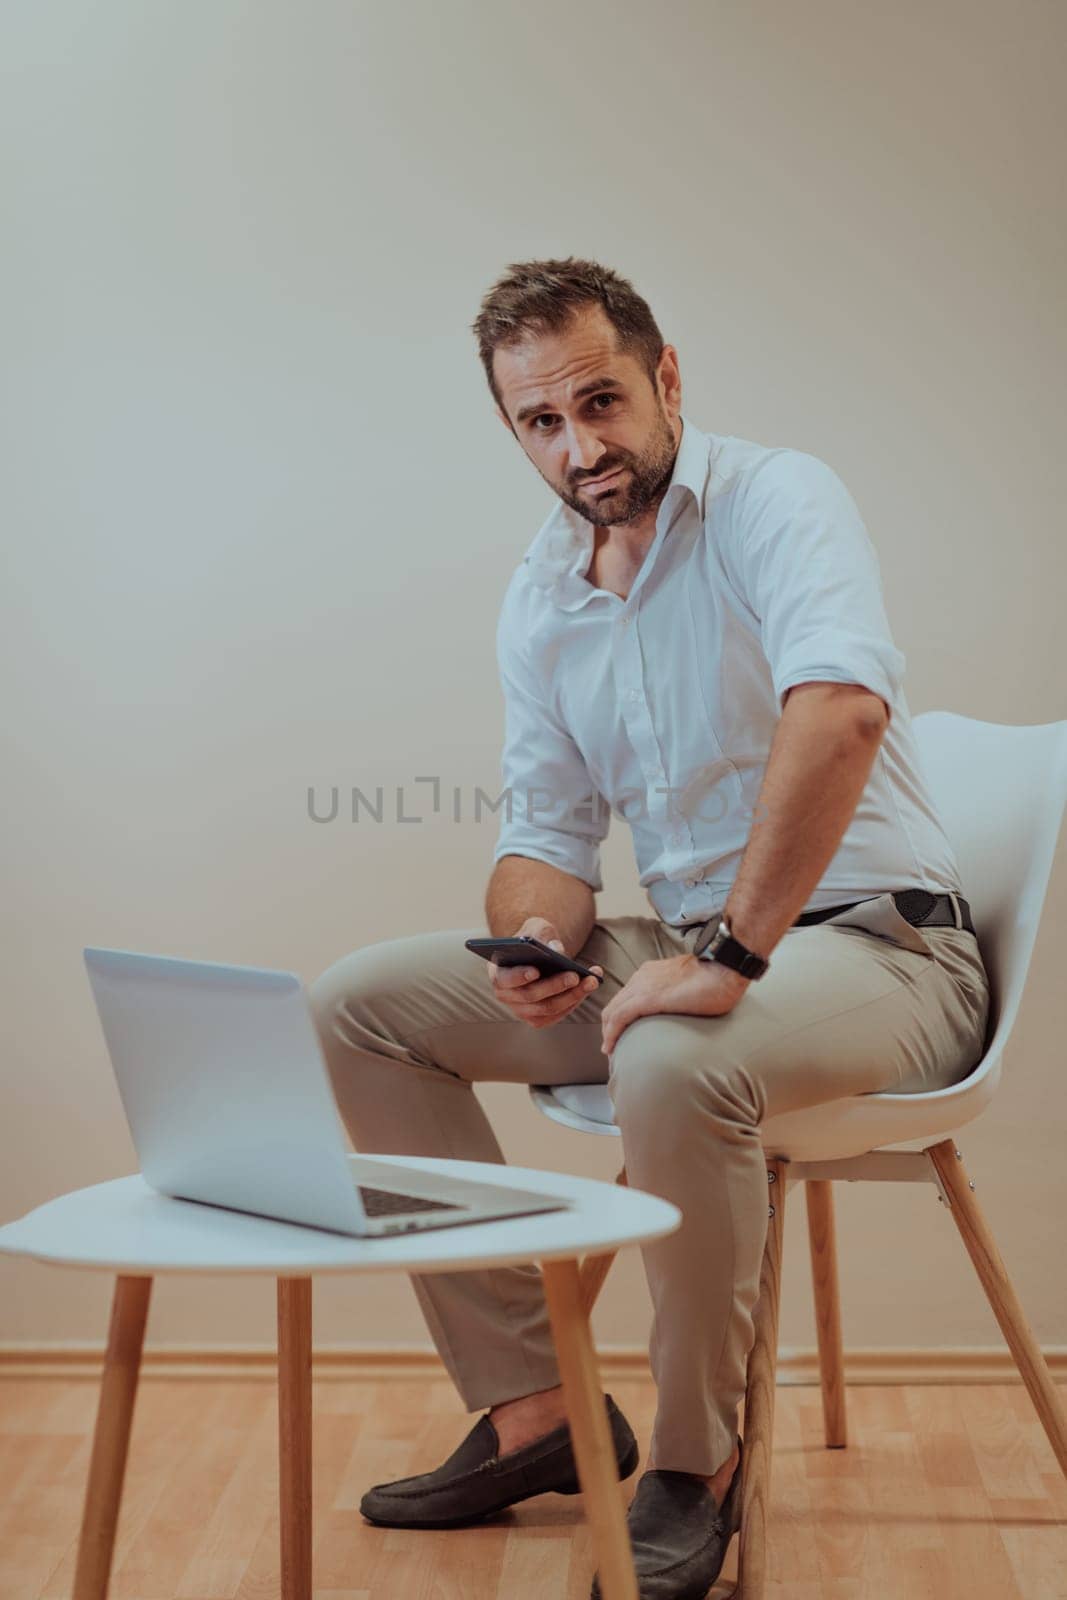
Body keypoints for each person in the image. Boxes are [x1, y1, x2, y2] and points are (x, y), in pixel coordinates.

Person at [308, 257, 991, 1600]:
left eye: (602, 402)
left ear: (667, 377)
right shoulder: (544, 594)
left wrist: (729, 959)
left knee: (673, 1059)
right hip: (691, 940)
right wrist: (537, 941)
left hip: (884, 948)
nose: (581, 447)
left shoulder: (776, 501)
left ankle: (695, 1466)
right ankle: (539, 1412)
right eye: (541, 424)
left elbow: (840, 711)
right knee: (360, 1007)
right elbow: (545, 841)